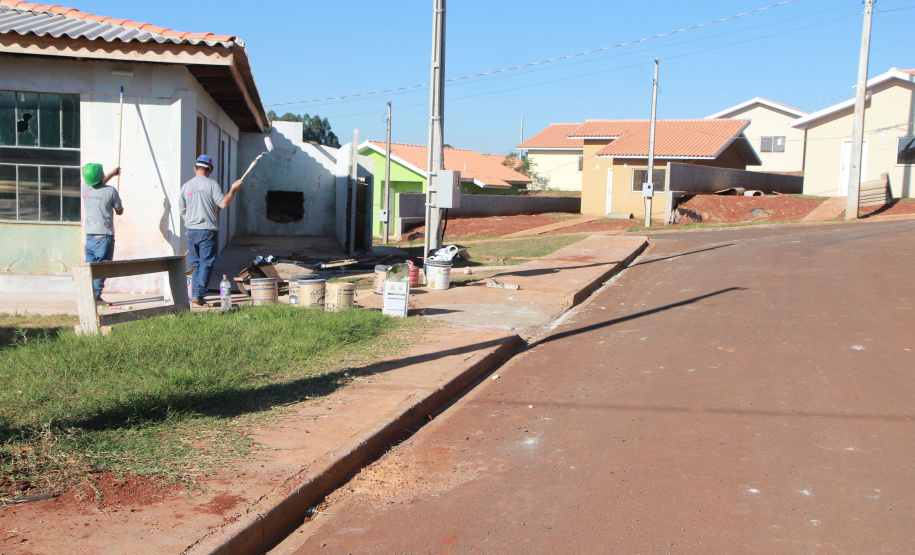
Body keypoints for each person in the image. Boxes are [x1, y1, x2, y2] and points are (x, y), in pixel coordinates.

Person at [179, 155, 243, 306]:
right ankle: (198, 294)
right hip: (207, 231)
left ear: (195, 169)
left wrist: (190, 223)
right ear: (210, 170)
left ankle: (196, 294)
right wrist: (233, 190)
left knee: (195, 264)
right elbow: (224, 204)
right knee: (206, 263)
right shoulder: (212, 184)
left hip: (191, 231)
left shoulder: (186, 186)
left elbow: (182, 211)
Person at [81, 162, 123, 305]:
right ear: (101, 175)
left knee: (90, 269)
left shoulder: (84, 189)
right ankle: (96, 298)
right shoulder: (111, 191)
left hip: (90, 237)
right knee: (101, 268)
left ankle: (88, 297)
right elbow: (120, 211)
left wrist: (112, 173)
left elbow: (98, 185)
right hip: (104, 237)